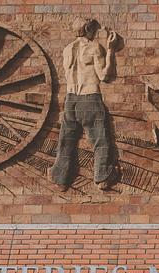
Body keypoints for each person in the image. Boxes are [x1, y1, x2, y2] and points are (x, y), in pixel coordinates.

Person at [50, 18, 119, 191]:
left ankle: (60, 179)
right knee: (100, 140)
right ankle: (102, 177)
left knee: (66, 140)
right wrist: (111, 49)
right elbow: (104, 75)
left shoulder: (67, 49)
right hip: (90, 98)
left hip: (71, 99)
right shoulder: (94, 47)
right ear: (88, 30)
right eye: (94, 30)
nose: (96, 33)